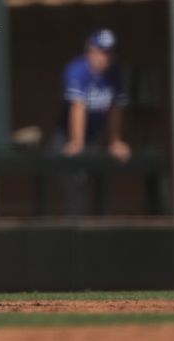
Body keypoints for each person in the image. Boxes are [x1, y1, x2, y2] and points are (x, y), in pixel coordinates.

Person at [57, 28, 131, 215]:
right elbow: (78, 107)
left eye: (109, 52)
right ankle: (73, 233)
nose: (105, 57)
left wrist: (115, 141)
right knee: (74, 185)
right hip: (66, 135)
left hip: (94, 137)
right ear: (90, 50)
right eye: (102, 51)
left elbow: (115, 108)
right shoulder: (78, 70)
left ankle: (101, 230)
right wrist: (77, 142)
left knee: (100, 186)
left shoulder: (114, 73)